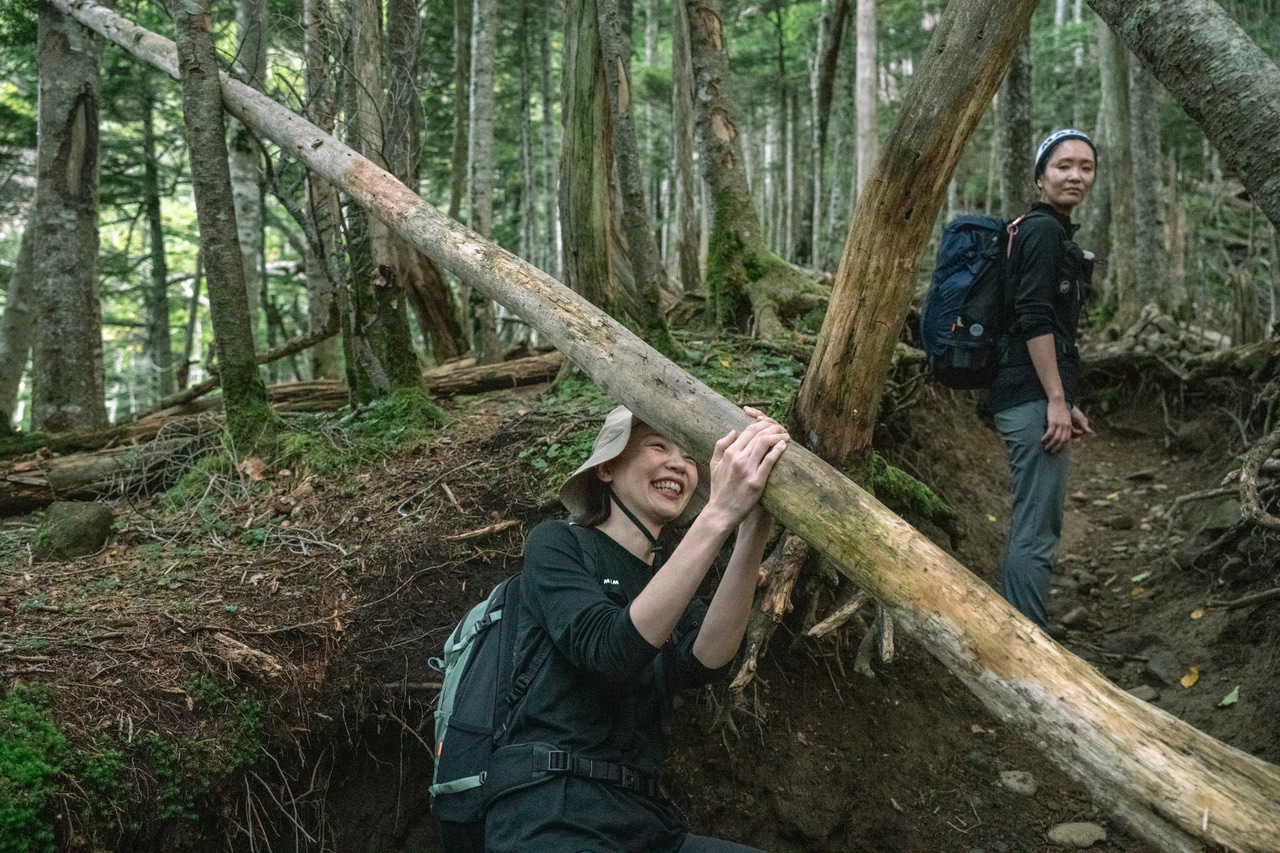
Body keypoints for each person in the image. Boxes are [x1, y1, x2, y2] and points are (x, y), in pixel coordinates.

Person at [482, 405, 788, 853]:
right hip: (550, 812)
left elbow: (706, 662)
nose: (678, 464)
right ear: (606, 468)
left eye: (689, 456)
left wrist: (753, 528)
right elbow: (609, 649)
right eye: (657, 445)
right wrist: (719, 513)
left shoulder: (668, 578)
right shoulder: (558, 544)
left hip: (644, 821)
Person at [990, 129, 1098, 631]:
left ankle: (1020, 634)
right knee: (1037, 529)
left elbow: (1045, 325)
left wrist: (1065, 400)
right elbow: (1034, 317)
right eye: (1062, 165)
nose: (1075, 175)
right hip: (1030, 399)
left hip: (1035, 396)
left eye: (1085, 166)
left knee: (1038, 523)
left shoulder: (1048, 232)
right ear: (1040, 176)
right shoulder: (1041, 231)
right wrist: (1055, 398)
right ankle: (1023, 646)